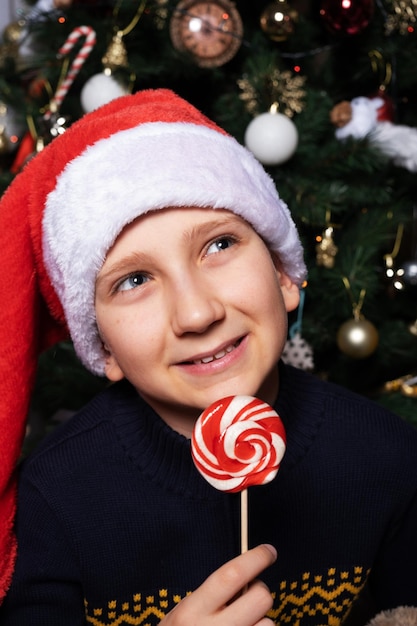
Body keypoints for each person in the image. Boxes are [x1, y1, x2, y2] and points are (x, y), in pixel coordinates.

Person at [0, 88, 416, 626]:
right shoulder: (57, 495)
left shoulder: (388, 457)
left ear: (286, 275)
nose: (196, 314)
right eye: (134, 280)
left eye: (219, 245)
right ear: (104, 349)